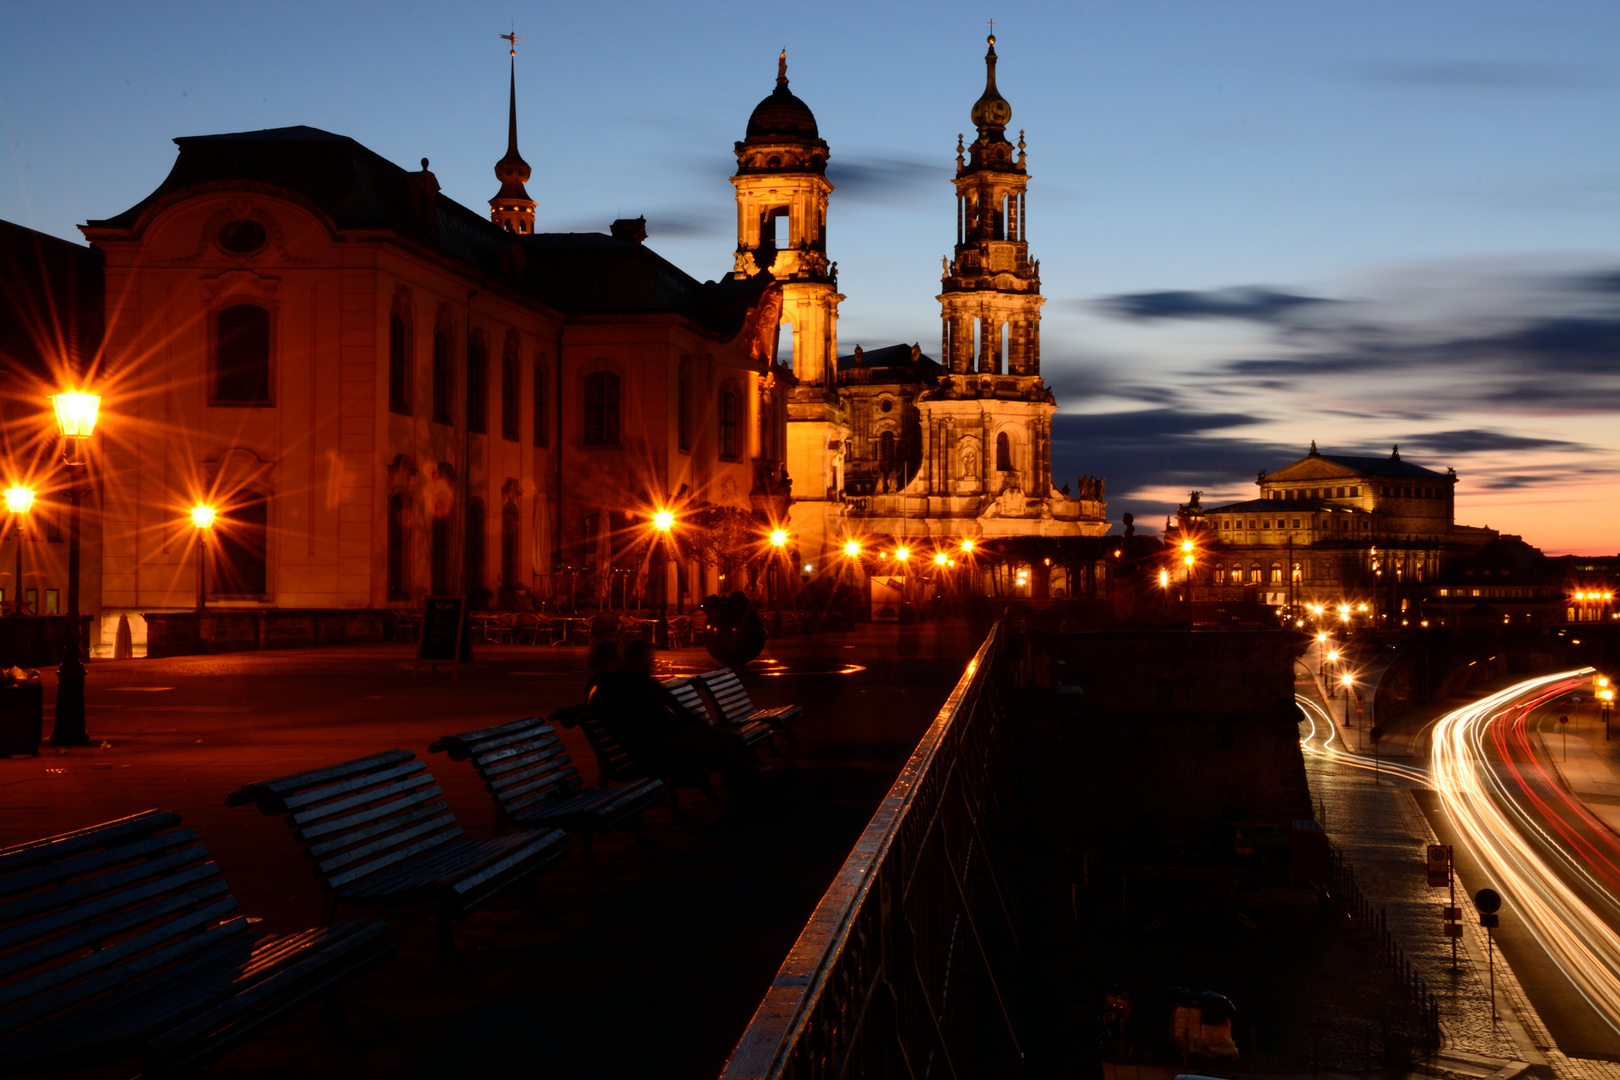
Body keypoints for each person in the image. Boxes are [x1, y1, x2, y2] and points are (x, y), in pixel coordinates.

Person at [589, 640, 767, 800]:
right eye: (616, 658)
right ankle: (750, 791)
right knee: (723, 743)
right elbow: (640, 722)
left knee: (729, 740)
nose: (621, 662)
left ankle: (752, 788)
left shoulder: (625, 682)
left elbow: (663, 711)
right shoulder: (611, 688)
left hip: (667, 738)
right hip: (657, 747)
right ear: (605, 663)